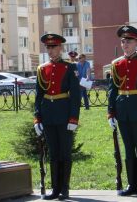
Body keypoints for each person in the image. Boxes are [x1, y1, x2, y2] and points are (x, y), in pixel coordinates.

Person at [108, 25, 137, 197]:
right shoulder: (116, 64)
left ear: (136, 43)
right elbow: (112, 90)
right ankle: (131, 184)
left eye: (129, 41)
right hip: (122, 111)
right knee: (128, 148)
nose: (125, 44)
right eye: (123, 41)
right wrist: (111, 113)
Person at [34, 34, 80, 200]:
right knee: (53, 152)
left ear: (61, 48)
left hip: (64, 113)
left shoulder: (70, 68)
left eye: (54, 47)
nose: (51, 50)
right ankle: (55, 189)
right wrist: (37, 118)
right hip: (48, 115)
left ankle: (65, 189)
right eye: (48, 47)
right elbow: (39, 96)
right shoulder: (42, 69)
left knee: (65, 152)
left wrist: (74, 118)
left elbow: (75, 95)